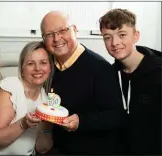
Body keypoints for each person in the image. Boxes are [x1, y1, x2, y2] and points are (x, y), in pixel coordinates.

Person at [40, 11, 125, 155]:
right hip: (56, 147)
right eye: (49, 34)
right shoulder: (45, 66)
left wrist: (81, 121)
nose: (56, 38)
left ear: (75, 30)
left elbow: (116, 116)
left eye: (62, 30)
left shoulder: (100, 68)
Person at [99, 8, 161, 155]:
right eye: (107, 37)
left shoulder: (158, 73)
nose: (115, 42)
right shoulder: (111, 75)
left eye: (122, 35)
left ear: (136, 36)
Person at [0, 41, 54, 155]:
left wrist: (48, 126)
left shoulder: (45, 100)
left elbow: (42, 148)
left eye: (43, 63)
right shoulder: (11, 87)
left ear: (50, 67)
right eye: (30, 63)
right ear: (22, 68)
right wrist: (24, 124)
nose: (37, 68)